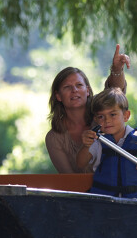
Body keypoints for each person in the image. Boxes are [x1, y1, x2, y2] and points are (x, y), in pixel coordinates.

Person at [45, 44, 131, 173]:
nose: (74, 90)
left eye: (79, 85)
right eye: (67, 87)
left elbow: (115, 93)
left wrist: (117, 68)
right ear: (58, 96)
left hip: (118, 188)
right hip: (81, 192)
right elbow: (68, 179)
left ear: (87, 91)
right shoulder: (54, 138)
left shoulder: (102, 113)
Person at [77, 88, 137, 200]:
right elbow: (80, 163)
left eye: (112, 114)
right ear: (96, 119)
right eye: (101, 116)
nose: (107, 120)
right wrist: (86, 146)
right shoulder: (98, 140)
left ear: (126, 116)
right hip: (107, 205)